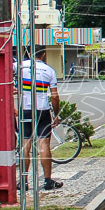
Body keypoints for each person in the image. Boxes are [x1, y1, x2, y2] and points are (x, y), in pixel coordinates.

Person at [20, 47, 63, 191]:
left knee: (26, 144)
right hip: (42, 110)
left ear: (28, 54)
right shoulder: (49, 70)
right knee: (44, 144)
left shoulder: (20, 66)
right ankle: (47, 180)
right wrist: (56, 115)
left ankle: (24, 181)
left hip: (25, 109)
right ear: (43, 55)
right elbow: (55, 96)